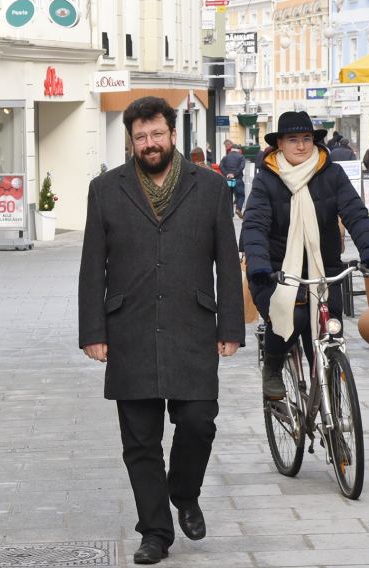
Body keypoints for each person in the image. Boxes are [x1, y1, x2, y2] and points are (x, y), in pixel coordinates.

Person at [79, 96, 244, 565]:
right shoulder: (106, 189)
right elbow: (93, 265)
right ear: (130, 141)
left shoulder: (210, 187)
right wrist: (93, 329)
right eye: (140, 137)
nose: (149, 144)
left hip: (192, 326)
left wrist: (230, 324)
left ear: (173, 134)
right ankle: (155, 531)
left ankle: (184, 491)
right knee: (140, 440)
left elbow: (226, 264)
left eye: (157, 134)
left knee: (198, 421)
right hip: (128, 328)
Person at [241, 111, 369, 400]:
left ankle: (329, 402)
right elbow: (254, 225)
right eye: (293, 139)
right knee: (291, 318)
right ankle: (273, 366)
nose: (302, 146)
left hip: (324, 271)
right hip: (277, 273)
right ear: (280, 143)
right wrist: (258, 266)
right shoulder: (267, 179)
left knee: (328, 332)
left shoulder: (331, 173)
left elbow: (355, 212)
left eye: (306, 139)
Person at [219, 139, 247, 218]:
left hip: (228, 180)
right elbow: (242, 167)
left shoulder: (226, 157)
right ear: (239, 150)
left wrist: (227, 174)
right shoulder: (241, 157)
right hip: (237, 179)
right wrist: (234, 174)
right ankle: (238, 208)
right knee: (241, 195)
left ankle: (230, 214)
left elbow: (221, 166)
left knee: (229, 196)